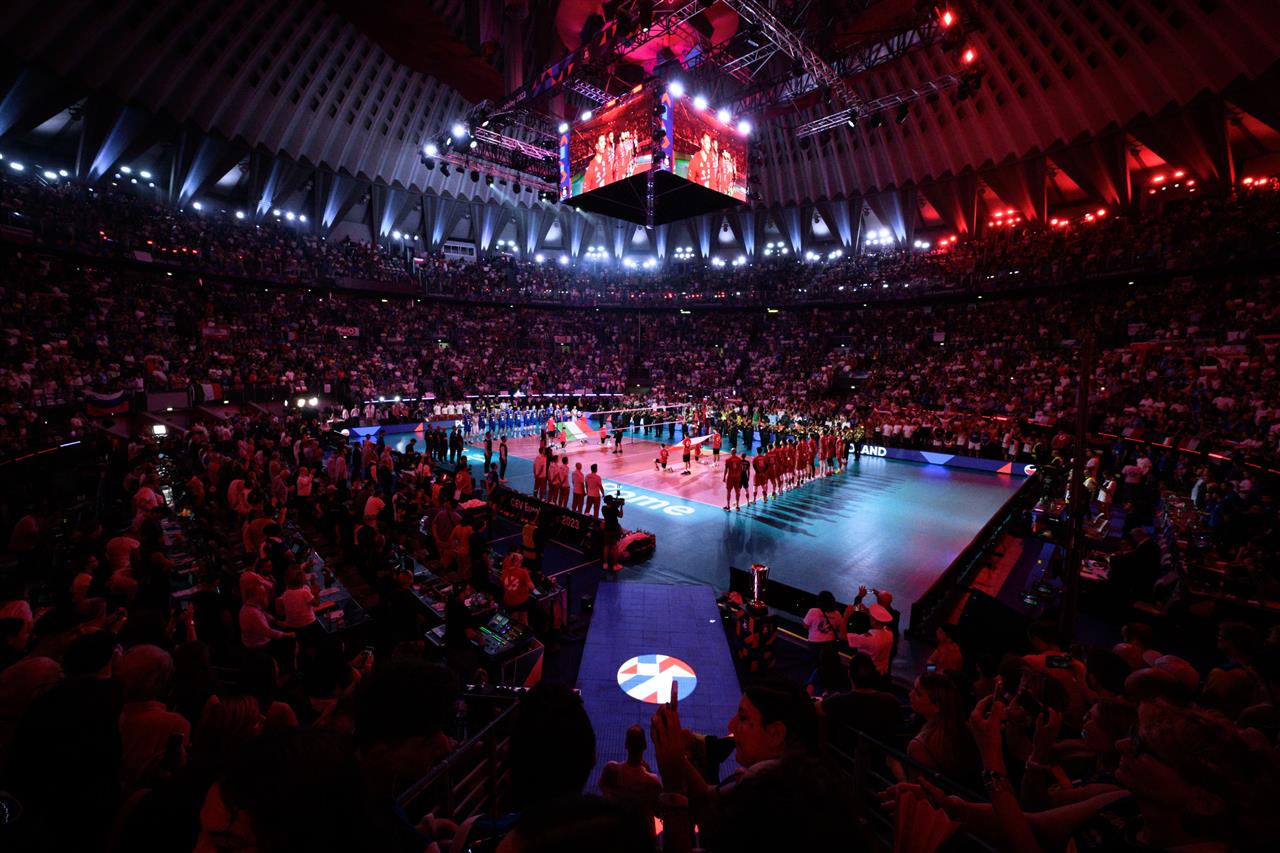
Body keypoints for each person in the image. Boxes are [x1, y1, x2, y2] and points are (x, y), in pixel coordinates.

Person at [598, 724, 662, 834]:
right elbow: (658, 811)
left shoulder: (611, 770)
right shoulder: (652, 781)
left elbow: (604, 789)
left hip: (619, 834)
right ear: (644, 746)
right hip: (643, 836)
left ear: (626, 744)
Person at [601, 495, 624, 572]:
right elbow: (621, 515)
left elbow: (610, 507)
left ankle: (605, 564)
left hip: (607, 529)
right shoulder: (614, 509)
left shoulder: (603, 508)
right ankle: (615, 565)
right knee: (615, 547)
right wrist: (621, 506)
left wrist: (616, 504)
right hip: (614, 530)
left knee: (606, 546)